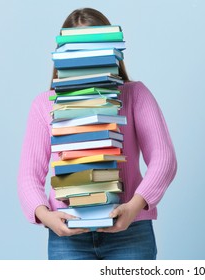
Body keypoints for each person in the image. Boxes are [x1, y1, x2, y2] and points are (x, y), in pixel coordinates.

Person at [17, 7, 177, 260]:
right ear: (63, 55)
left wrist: (133, 208)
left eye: (94, 49)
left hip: (130, 230)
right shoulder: (43, 104)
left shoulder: (135, 95)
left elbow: (164, 159)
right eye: (77, 51)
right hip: (67, 234)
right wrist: (47, 216)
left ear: (111, 52)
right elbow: (28, 174)